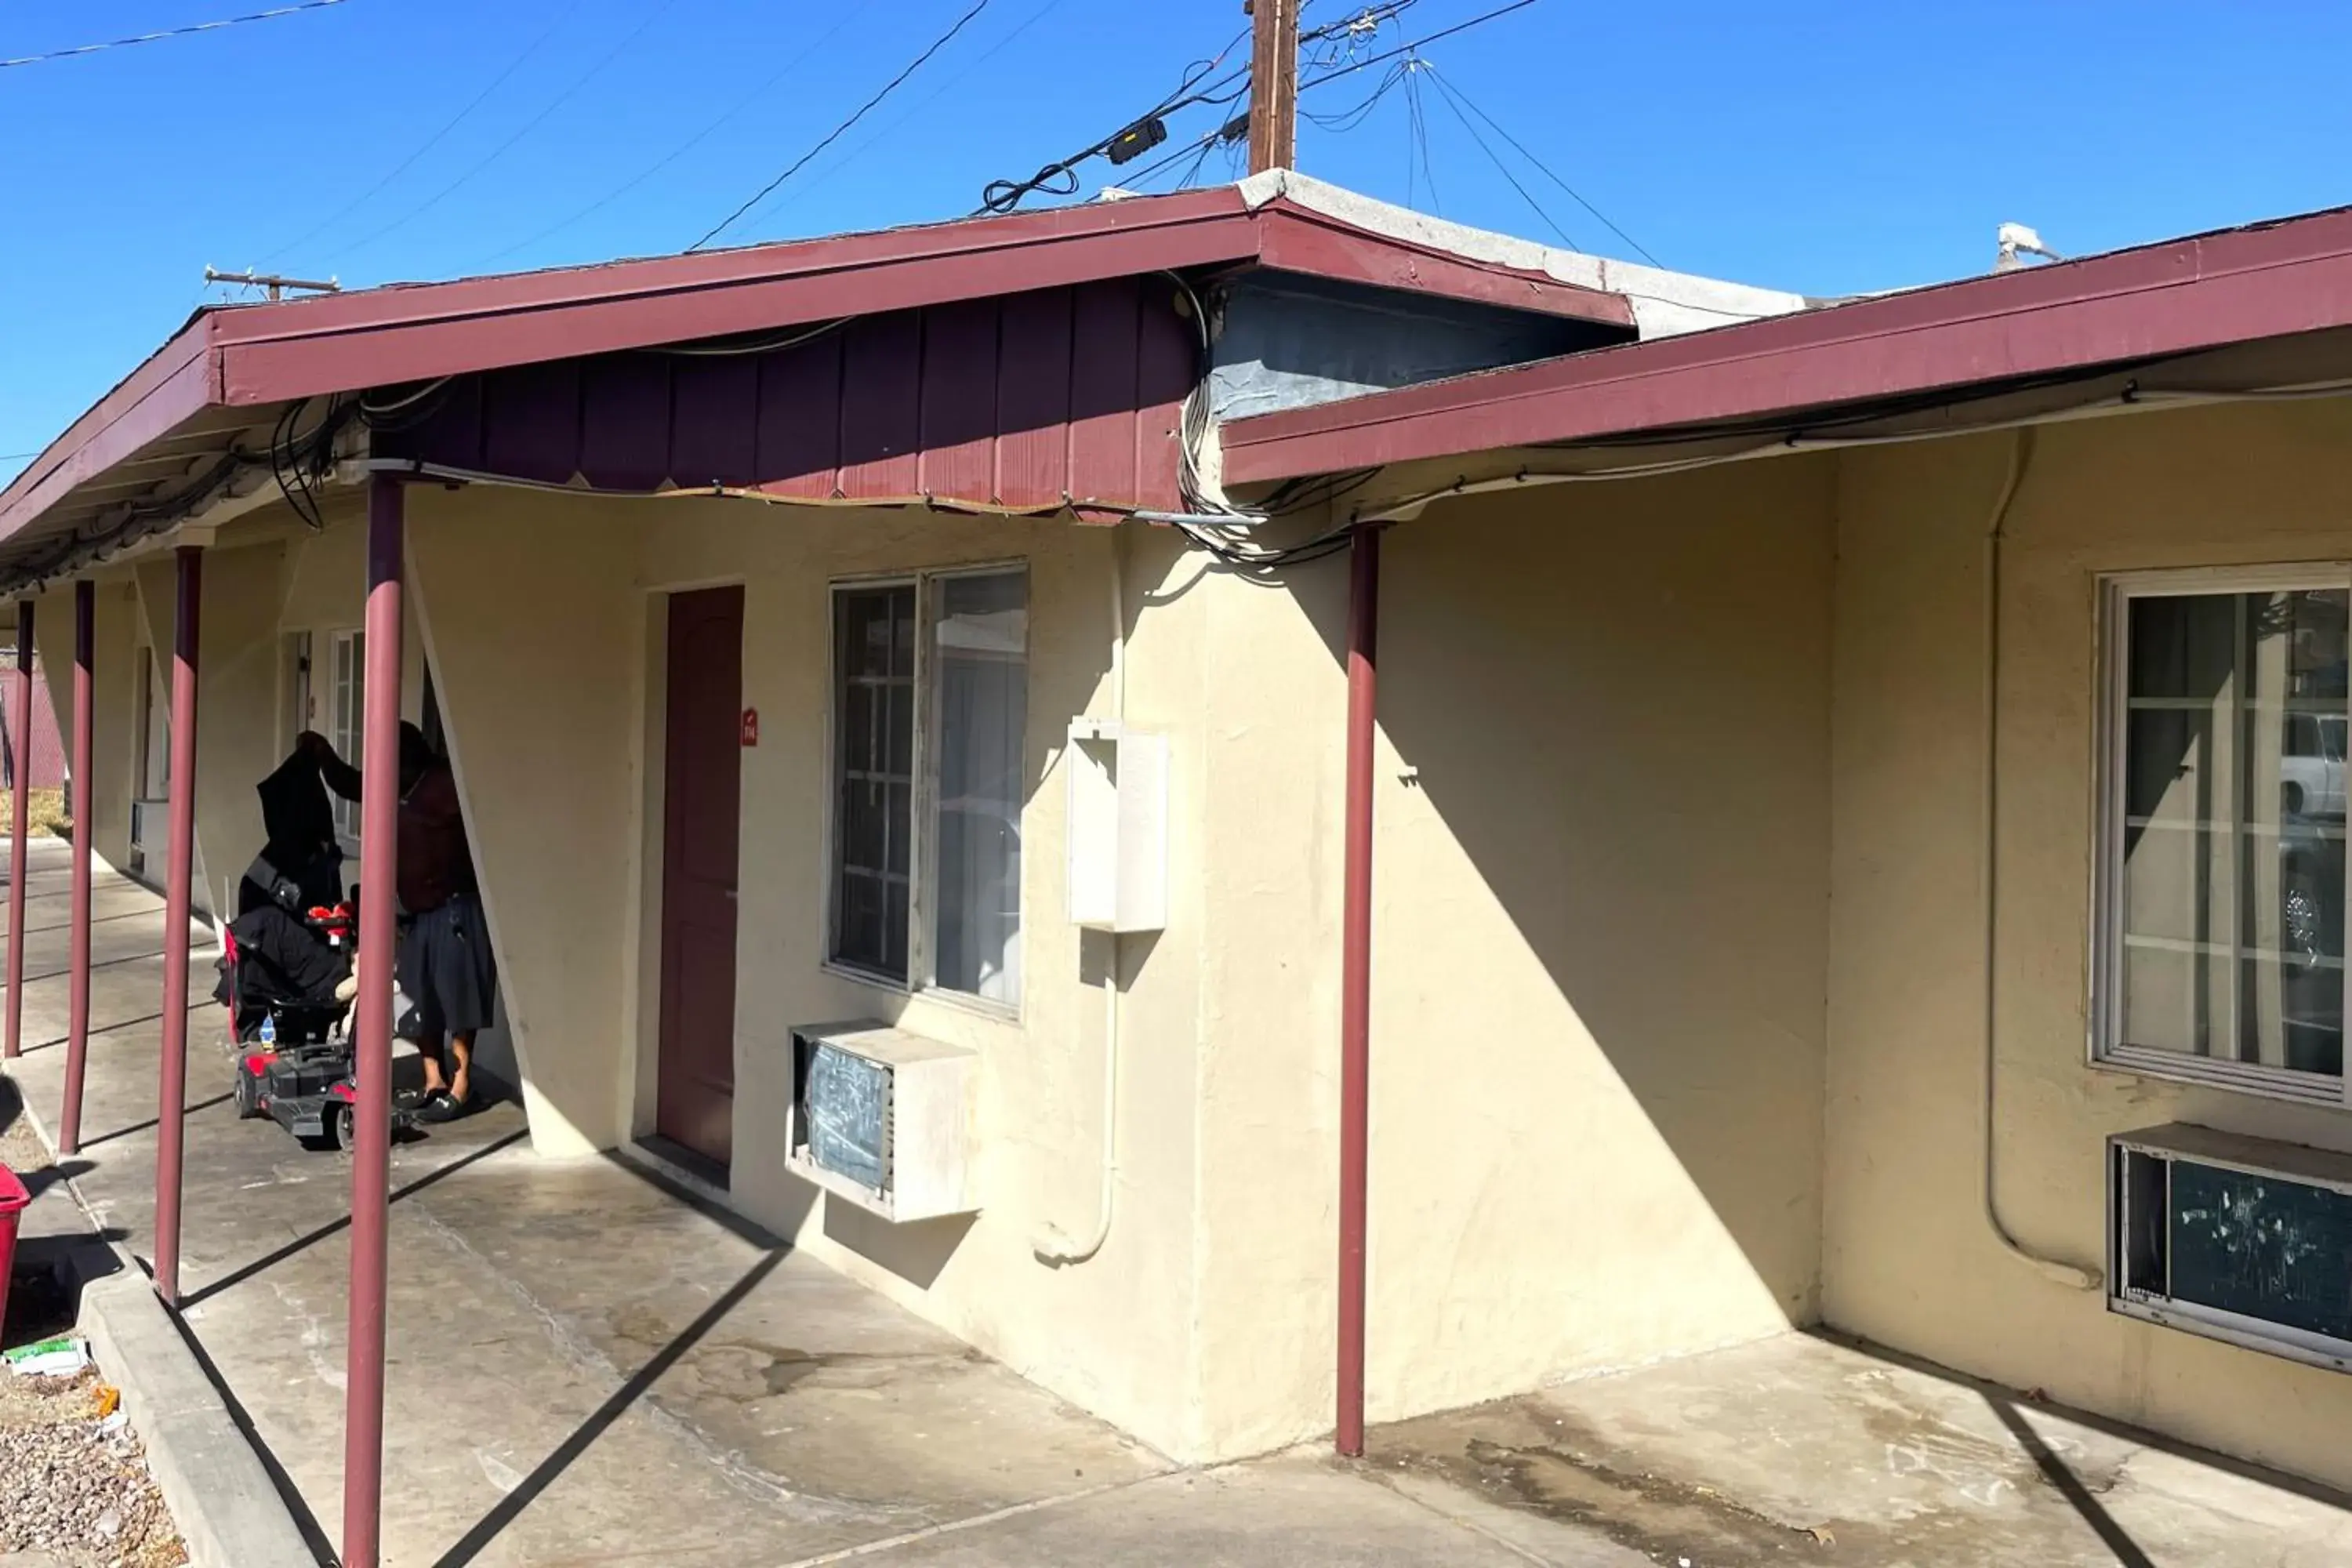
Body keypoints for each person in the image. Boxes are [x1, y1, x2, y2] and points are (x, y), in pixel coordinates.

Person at [303, 722, 495, 1123]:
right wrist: (322, 753)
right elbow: (352, 784)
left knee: (458, 1001)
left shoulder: (443, 785)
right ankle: (433, 1082)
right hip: (417, 912)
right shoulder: (398, 786)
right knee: (418, 1000)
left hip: (454, 908)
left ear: (408, 762)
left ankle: (462, 1087)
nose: (381, 776)